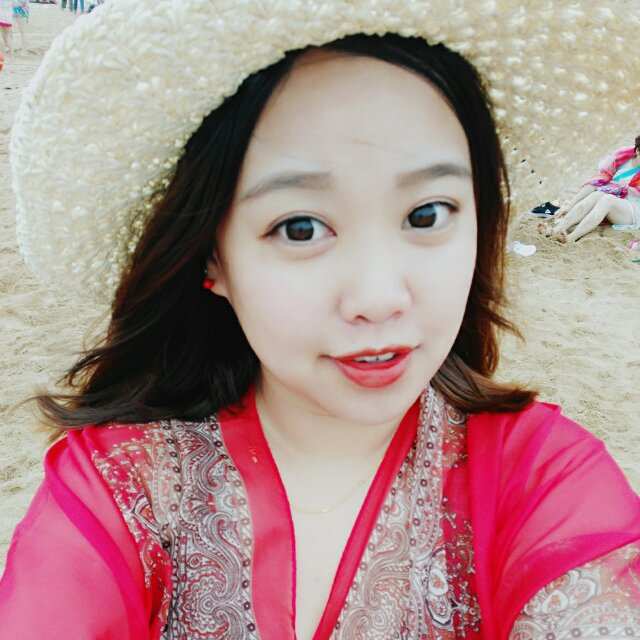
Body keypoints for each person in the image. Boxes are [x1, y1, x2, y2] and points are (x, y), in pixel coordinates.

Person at [1, 1, 640, 638]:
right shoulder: (122, 491)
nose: (379, 297)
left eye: (426, 215)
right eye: (300, 228)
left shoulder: (541, 482)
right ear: (211, 255)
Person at [539, 135, 640, 242]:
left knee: (607, 199)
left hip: (633, 211)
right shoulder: (622, 157)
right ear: (638, 150)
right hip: (614, 198)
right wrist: (570, 205)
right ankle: (557, 229)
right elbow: (598, 181)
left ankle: (571, 238)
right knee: (597, 194)